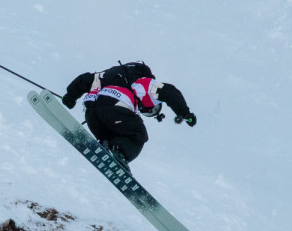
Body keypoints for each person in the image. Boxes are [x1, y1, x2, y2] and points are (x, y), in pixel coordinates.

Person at [61, 61, 196, 166]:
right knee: (138, 134)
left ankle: (107, 145)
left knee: (116, 133)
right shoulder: (144, 84)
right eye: (153, 109)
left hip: (92, 115)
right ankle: (119, 152)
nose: (147, 110)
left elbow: (85, 79)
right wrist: (185, 113)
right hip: (114, 111)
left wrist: (70, 96)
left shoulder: (107, 76)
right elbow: (169, 91)